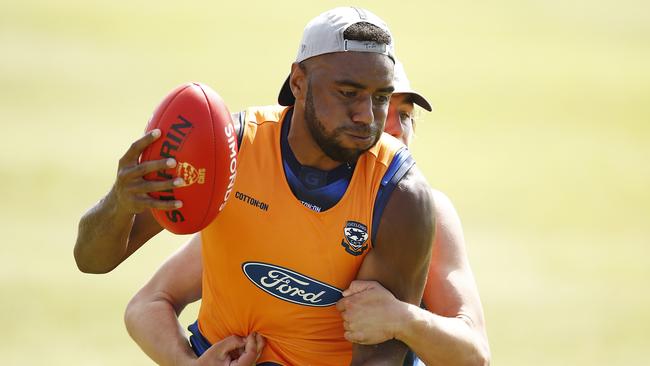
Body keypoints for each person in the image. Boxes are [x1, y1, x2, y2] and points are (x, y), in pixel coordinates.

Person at [74, 7, 434, 365]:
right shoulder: (226, 149)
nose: (367, 116)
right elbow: (92, 261)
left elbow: (379, 359)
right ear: (298, 82)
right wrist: (119, 203)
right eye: (348, 93)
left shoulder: (400, 194)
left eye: (380, 97)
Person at [125, 61, 490, 366]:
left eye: (404, 115)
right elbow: (148, 303)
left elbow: (474, 353)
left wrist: (406, 320)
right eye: (382, 109)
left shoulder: (426, 214)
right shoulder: (266, 202)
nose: (390, 128)